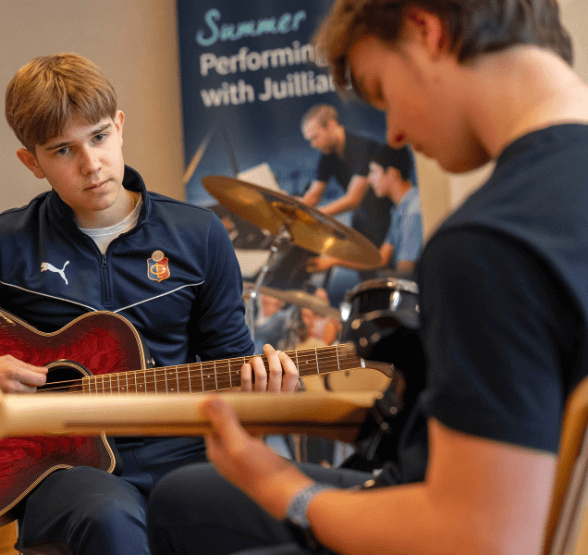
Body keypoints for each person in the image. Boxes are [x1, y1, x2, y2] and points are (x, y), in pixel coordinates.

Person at [147, 0, 587, 553]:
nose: (395, 133)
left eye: (382, 92)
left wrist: (280, 484)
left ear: (426, 30)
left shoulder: (489, 242)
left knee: (183, 507)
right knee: (184, 496)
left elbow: (480, 540)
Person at [0, 53, 297, 554]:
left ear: (119, 127)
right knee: (110, 520)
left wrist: (269, 393)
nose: (91, 164)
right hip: (66, 469)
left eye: (98, 137)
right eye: (63, 150)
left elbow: (231, 365)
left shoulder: (200, 236)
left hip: (183, 454)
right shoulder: (2, 243)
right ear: (32, 162)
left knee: (287, 512)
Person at [306, 144, 423, 278]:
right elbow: (381, 259)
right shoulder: (399, 209)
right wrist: (333, 260)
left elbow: (405, 274)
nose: (370, 179)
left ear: (391, 174)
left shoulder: (413, 211)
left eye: (373, 171)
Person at [299, 103, 392, 249]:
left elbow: (353, 199)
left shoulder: (364, 146)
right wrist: (295, 210)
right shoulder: (327, 154)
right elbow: (314, 195)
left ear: (331, 125)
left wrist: (314, 216)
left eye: (315, 137)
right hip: (361, 225)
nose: (313, 144)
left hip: (387, 226)